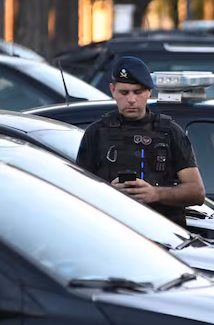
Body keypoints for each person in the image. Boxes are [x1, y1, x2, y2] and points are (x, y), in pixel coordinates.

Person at [76, 56, 205, 227]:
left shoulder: (170, 132)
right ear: (113, 90)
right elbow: (78, 191)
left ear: (149, 92)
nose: (131, 99)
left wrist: (155, 193)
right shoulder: (96, 133)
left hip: (163, 233)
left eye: (138, 92)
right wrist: (108, 192)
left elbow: (196, 192)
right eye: (124, 92)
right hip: (112, 231)